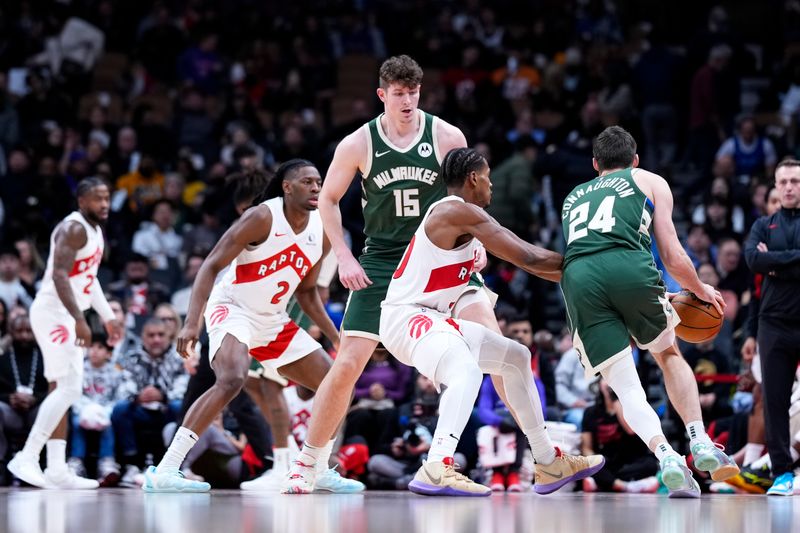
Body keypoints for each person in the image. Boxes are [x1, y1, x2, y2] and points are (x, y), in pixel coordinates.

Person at [284, 55, 510, 494]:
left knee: (497, 347)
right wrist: (345, 258)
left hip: (442, 254)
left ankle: (540, 456)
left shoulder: (446, 135)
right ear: (382, 95)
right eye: (399, 93)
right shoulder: (357, 144)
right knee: (348, 363)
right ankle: (307, 464)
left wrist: (479, 239)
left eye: (414, 92)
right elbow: (327, 201)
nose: (407, 101)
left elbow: (470, 195)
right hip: (385, 259)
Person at [378, 147, 604, 496]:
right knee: (465, 370)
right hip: (406, 317)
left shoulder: (462, 221)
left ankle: (547, 462)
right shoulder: (456, 211)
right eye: (487, 178)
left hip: (434, 318)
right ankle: (436, 466)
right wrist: (593, 271)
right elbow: (527, 256)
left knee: (515, 357)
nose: (491, 186)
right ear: (472, 179)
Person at [143, 160, 362, 493]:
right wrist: (191, 322)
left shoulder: (322, 229)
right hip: (233, 309)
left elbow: (306, 292)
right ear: (287, 187)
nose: (316, 187)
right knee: (232, 378)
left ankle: (316, 469)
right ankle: (166, 469)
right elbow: (211, 264)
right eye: (307, 182)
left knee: (337, 382)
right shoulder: (262, 217)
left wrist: (336, 337)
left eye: (319, 182)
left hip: (272, 318)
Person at [559, 126, 737, 499]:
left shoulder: (573, 196)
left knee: (625, 388)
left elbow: (587, 254)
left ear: (595, 164)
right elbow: (671, 255)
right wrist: (699, 289)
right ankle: (698, 439)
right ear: (635, 160)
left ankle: (666, 456)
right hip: (629, 267)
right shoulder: (649, 180)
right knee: (668, 354)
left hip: (577, 280)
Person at [8, 177, 124, 489]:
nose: (104, 204)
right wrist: (80, 319)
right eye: (97, 198)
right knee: (70, 388)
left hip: (66, 315)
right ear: (81, 200)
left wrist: (108, 316)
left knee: (63, 389)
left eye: (107, 198)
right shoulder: (72, 228)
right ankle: (27, 456)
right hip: (53, 313)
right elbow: (59, 275)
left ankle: (57, 469)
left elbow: (89, 278)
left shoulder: (96, 231)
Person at [743, 159, 800, 496]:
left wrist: (775, 263)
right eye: (784, 182)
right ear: (776, 187)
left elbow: (765, 261)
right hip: (774, 323)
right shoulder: (763, 225)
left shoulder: (768, 235)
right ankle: (782, 474)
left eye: (795, 180)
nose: (790, 187)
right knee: (774, 401)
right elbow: (753, 260)